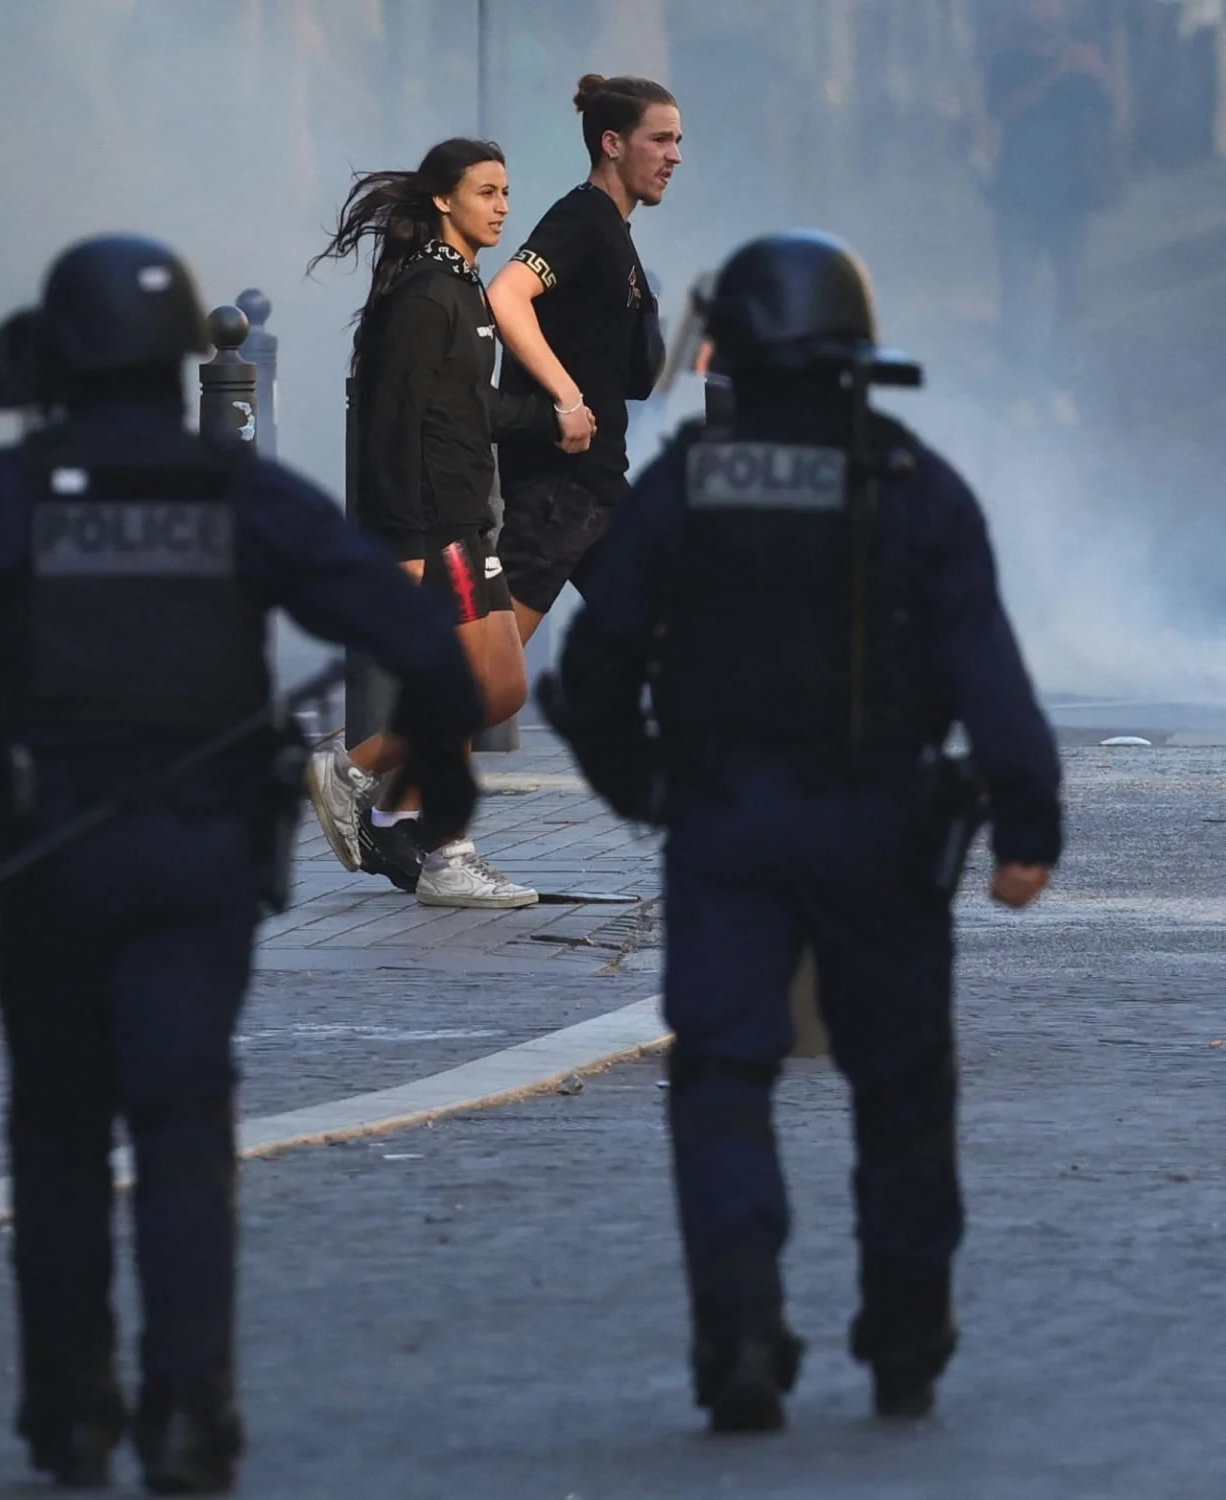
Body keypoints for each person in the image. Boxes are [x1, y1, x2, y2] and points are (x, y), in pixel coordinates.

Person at [0, 234, 487, 1493]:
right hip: (196, 865)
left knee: (59, 1135)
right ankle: (188, 1414)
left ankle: (70, 1416)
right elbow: (408, 627)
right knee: (181, 1127)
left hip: (54, 861)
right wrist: (440, 775)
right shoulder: (234, 496)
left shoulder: (4, 498)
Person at [538, 231, 1062, 1434]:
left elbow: (598, 670)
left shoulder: (681, 481)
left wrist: (649, 795)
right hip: (882, 830)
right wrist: (1026, 824)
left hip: (723, 826)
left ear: (733, 348)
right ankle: (904, 1339)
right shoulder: (910, 481)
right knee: (900, 1086)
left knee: (720, 1077)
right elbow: (987, 674)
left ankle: (736, 1336)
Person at [304, 137, 582, 908]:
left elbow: (468, 407)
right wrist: (400, 546)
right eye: (486, 192)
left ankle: (374, 790)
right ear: (442, 200)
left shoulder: (462, 290)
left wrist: (552, 417)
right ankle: (412, 827)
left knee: (498, 688)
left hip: (468, 523)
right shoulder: (426, 297)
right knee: (471, 689)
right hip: (432, 532)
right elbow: (391, 425)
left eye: (504, 193)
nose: (500, 206)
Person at [487, 73, 681, 643]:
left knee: (670, 636)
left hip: (597, 489)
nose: (674, 156)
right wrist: (566, 399)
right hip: (559, 493)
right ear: (612, 143)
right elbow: (505, 295)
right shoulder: (582, 220)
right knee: (471, 688)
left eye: (677, 140)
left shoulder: (612, 230)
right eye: (661, 139)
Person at [981, 0, 1116, 400]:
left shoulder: (1082, 49)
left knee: (1071, 289)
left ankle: (1063, 370)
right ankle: (1016, 375)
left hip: (1069, 191)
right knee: (1017, 289)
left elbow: (1107, 107)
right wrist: (1058, 74)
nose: (1048, 9)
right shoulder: (1007, 54)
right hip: (1020, 190)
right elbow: (1003, 108)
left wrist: (1097, 73)